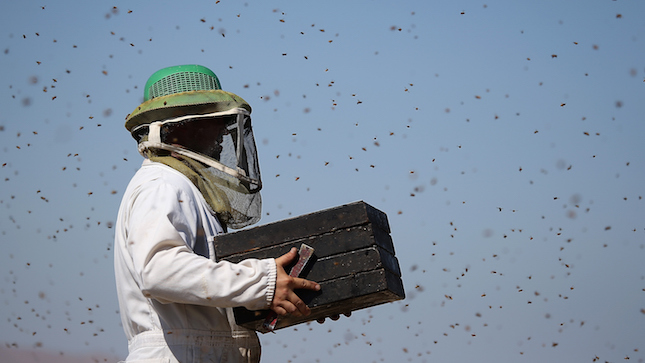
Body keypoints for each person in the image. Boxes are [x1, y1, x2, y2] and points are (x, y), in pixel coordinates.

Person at [114, 65, 320, 363]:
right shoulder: (162, 184)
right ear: (183, 126)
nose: (224, 131)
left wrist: (295, 296)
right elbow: (158, 271)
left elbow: (204, 298)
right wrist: (262, 283)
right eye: (215, 120)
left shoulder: (186, 189)